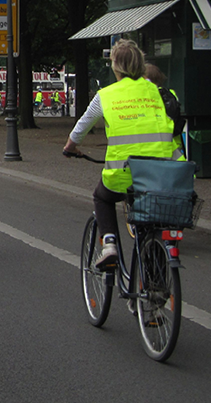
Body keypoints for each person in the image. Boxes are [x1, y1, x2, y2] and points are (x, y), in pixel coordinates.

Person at [63, 39, 179, 268]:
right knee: (150, 220)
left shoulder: (106, 96)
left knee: (101, 197)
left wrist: (70, 148)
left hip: (123, 174)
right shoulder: (159, 92)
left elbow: (79, 130)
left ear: (115, 67)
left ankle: (109, 244)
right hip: (161, 172)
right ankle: (155, 278)